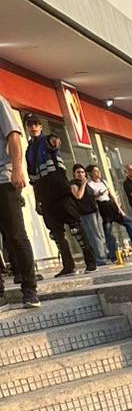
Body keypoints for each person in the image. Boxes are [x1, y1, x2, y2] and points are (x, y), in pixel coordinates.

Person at [24, 114, 97, 276]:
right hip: (46, 198)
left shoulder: (47, 140)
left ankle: (91, 262)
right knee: (56, 234)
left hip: (61, 193)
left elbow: (54, 141)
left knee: (76, 229)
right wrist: (37, 201)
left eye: (35, 124)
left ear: (40, 126)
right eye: (29, 125)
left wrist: (55, 141)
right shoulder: (28, 151)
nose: (33, 127)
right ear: (27, 128)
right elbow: (33, 180)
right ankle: (68, 266)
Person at [0, 96, 39, 308]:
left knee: (16, 235)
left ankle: (30, 290)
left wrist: (17, 169)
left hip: (3, 179)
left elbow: (13, 135)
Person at [87, 165, 132, 260]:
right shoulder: (90, 184)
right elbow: (91, 198)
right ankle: (114, 254)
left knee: (130, 222)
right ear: (91, 173)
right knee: (108, 232)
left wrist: (119, 208)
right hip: (101, 207)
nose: (98, 172)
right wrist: (98, 194)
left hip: (110, 205)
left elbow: (111, 195)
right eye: (95, 171)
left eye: (98, 170)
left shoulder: (103, 182)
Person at [69, 164, 108, 266]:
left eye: (82, 172)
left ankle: (103, 255)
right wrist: (83, 184)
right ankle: (100, 258)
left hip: (94, 210)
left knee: (100, 235)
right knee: (94, 236)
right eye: (78, 172)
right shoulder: (74, 184)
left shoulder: (87, 183)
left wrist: (98, 194)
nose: (81, 174)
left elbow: (91, 195)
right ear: (74, 174)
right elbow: (78, 196)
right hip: (86, 213)